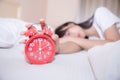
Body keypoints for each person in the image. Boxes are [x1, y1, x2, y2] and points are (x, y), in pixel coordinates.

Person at [55, 7, 120, 54]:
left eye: (68, 33)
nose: (73, 36)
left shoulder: (100, 13)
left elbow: (115, 44)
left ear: (70, 24)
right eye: (69, 36)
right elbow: (73, 46)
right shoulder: (89, 40)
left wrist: (69, 38)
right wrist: (57, 48)